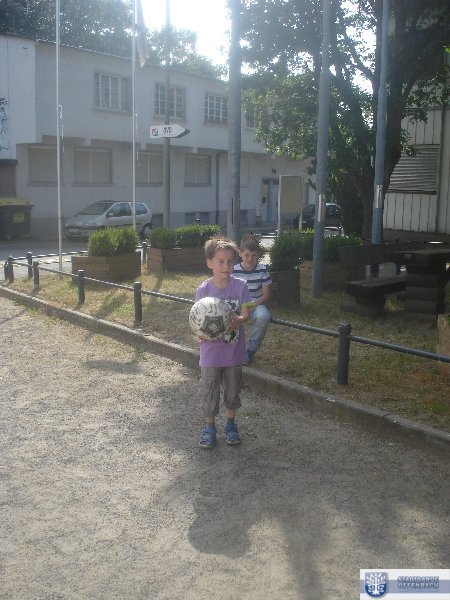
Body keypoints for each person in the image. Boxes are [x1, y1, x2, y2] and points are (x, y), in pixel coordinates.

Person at [195, 236, 252, 449]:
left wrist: (239, 319)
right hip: (210, 353)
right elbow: (197, 319)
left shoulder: (241, 286)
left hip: (233, 353)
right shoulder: (203, 290)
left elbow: (246, 313)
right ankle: (209, 427)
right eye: (220, 261)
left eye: (230, 262)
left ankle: (230, 425)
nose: (226, 266)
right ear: (209, 263)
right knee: (209, 391)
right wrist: (200, 333)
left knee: (232, 390)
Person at [233, 234, 272, 365]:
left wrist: (251, 305)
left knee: (263, 317)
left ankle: (250, 350)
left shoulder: (262, 270)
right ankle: (231, 349)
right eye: (247, 255)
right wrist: (242, 306)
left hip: (256, 303)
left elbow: (266, 295)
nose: (250, 259)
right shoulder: (234, 270)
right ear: (240, 253)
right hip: (238, 304)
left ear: (258, 255)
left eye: (254, 255)